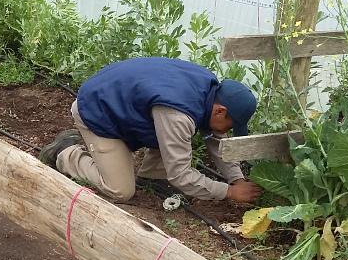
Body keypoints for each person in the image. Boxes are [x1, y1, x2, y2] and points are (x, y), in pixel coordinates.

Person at [39, 57, 263, 204]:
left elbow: (216, 140)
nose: (227, 131)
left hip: (121, 102)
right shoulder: (179, 114)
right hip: (98, 113)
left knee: (173, 136)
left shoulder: (211, 91)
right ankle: (67, 153)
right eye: (231, 126)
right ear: (221, 112)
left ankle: (152, 176)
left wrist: (236, 179)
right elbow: (181, 175)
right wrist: (229, 192)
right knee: (121, 190)